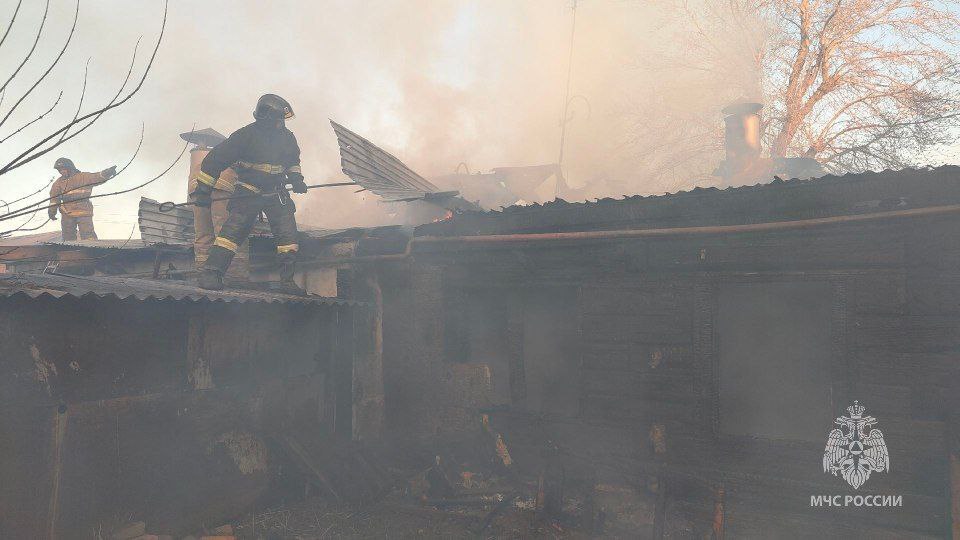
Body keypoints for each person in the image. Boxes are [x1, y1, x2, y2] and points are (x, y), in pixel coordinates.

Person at [191, 94, 308, 291]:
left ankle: (287, 281)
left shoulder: (287, 138)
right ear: (268, 118)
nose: (282, 124)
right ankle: (211, 274)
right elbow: (214, 160)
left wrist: (297, 179)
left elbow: (292, 162)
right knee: (232, 233)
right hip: (249, 191)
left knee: (288, 236)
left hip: (276, 192)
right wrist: (203, 191)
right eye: (279, 120)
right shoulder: (245, 136)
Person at [180, 128, 239, 267]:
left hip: (197, 193)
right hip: (220, 191)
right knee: (224, 234)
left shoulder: (194, 156)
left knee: (202, 234)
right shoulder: (225, 155)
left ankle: (202, 271)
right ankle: (229, 271)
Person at [48, 158, 117, 240]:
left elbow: (97, 177)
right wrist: (52, 211)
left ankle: (91, 251)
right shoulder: (57, 183)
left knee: (88, 236)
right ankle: (69, 252)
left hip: (83, 211)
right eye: (59, 170)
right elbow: (54, 199)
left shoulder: (84, 177)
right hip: (67, 212)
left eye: (63, 169)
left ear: (70, 168)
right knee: (68, 237)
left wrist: (107, 173)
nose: (61, 171)